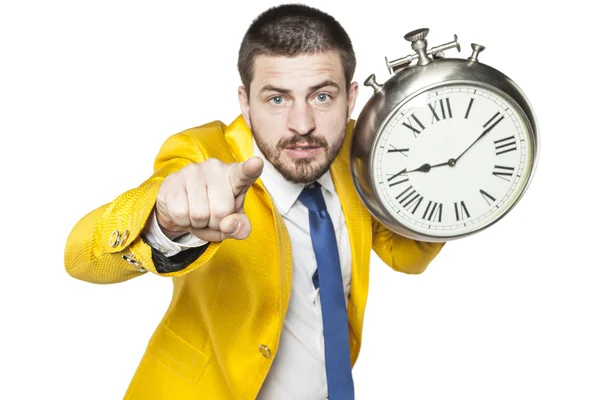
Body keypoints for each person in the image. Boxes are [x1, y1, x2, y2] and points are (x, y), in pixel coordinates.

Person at [64, 3, 445, 399]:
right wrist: (162, 220)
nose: (302, 125)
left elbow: (408, 255)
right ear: (246, 103)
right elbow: (80, 258)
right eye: (277, 100)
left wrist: (446, 168)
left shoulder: (363, 153)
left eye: (321, 96)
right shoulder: (202, 153)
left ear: (351, 99)